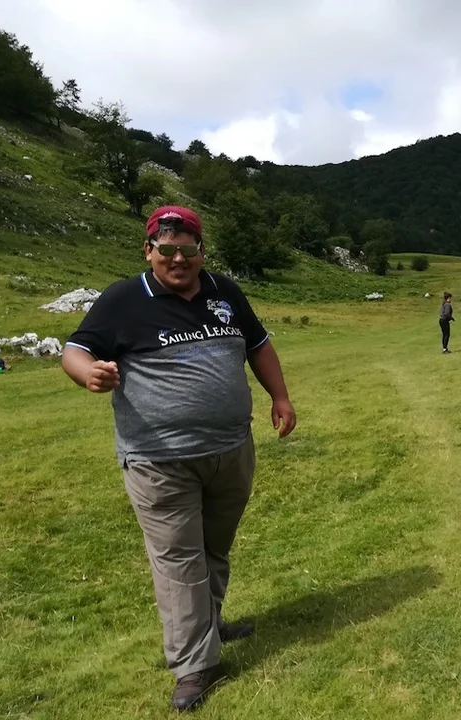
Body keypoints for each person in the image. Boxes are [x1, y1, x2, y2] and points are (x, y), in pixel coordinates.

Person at [60, 205, 297, 711]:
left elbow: (257, 345)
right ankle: (194, 666)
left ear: (201, 251)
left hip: (231, 451)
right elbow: (75, 350)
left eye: (188, 248)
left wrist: (279, 396)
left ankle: (207, 626)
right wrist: (87, 374)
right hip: (159, 461)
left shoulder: (224, 291)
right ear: (148, 250)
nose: (178, 258)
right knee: (178, 561)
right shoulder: (124, 299)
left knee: (213, 548)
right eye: (166, 249)